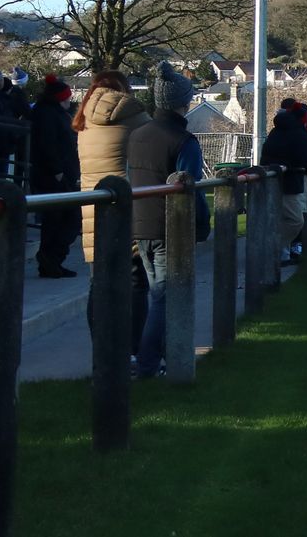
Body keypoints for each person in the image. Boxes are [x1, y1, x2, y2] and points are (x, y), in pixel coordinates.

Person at [127, 63, 197, 379]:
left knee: (157, 293)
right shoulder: (183, 140)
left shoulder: (137, 135)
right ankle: (147, 363)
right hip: (170, 226)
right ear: (183, 102)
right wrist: (202, 223)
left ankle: (159, 356)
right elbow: (190, 187)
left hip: (140, 223)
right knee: (165, 299)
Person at [74, 71, 147, 267]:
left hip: (91, 199)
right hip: (126, 200)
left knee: (97, 277)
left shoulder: (84, 119)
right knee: (134, 278)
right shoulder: (131, 112)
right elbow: (155, 139)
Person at [29, 75, 83, 278]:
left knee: (58, 220)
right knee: (66, 219)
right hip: (55, 175)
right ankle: (51, 257)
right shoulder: (49, 115)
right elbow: (48, 144)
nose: (70, 101)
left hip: (57, 173)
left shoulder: (50, 112)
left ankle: (51, 260)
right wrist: (58, 171)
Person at [260, 102, 307, 262]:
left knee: (280, 218)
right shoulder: (298, 133)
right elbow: (305, 160)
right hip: (290, 181)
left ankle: (281, 253)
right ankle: (274, 246)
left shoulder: (276, 131)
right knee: (295, 220)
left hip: (273, 179)